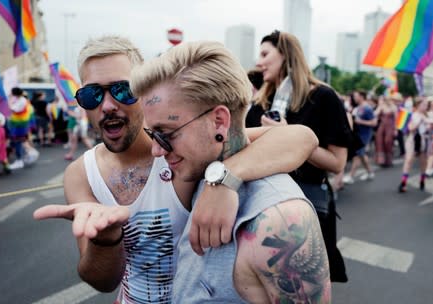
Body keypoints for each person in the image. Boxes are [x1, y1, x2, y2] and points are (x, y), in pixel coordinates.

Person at [33, 36, 319, 303]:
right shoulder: (82, 174)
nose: (107, 105)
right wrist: (105, 240)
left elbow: (299, 137)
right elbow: (102, 281)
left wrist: (222, 180)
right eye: (91, 95)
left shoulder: (183, 149)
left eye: (123, 90)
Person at [131, 40, 331, 303]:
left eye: (165, 134)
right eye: (152, 134)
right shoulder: (203, 166)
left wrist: (224, 178)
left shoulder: (279, 222)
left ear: (219, 121)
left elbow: (306, 137)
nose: (157, 150)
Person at [245, 30, 353, 283]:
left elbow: (337, 163)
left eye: (265, 54)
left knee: (301, 285)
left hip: (305, 206)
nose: (259, 62)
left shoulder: (323, 97)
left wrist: (289, 136)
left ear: (286, 54)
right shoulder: (262, 100)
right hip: (259, 204)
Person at [343, 90, 378, 183]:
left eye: (356, 96)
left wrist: (360, 122)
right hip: (357, 134)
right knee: (361, 155)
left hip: (365, 135)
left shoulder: (367, 108)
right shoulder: (358, 107)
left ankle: (351, 176)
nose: (354, 98)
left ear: (361, 96)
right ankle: (370, 172)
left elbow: (374, 123)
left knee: (357, 155)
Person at [398, 96, 432, 192]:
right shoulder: (412, 115)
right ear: (418, 105)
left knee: (423, 162)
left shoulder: (428, 115)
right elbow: (410, 128)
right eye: (423, 104)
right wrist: (420, 121)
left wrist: (429, 126)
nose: (425, 106)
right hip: (413, 139)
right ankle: (403, 183)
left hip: (424, 140)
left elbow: (429, 130)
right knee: (408, 160)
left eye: (426, 105)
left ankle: (422, 180)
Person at [374, 94, 398, 167]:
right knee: (380, 142)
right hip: (382, 126)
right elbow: (375, 114)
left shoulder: (393, 107)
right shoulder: (381, 106)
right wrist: (379, 106)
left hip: (390, 126)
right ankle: (382, 160)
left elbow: (396, 119)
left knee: (388, 142)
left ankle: (389, 160)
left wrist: (395, 129)